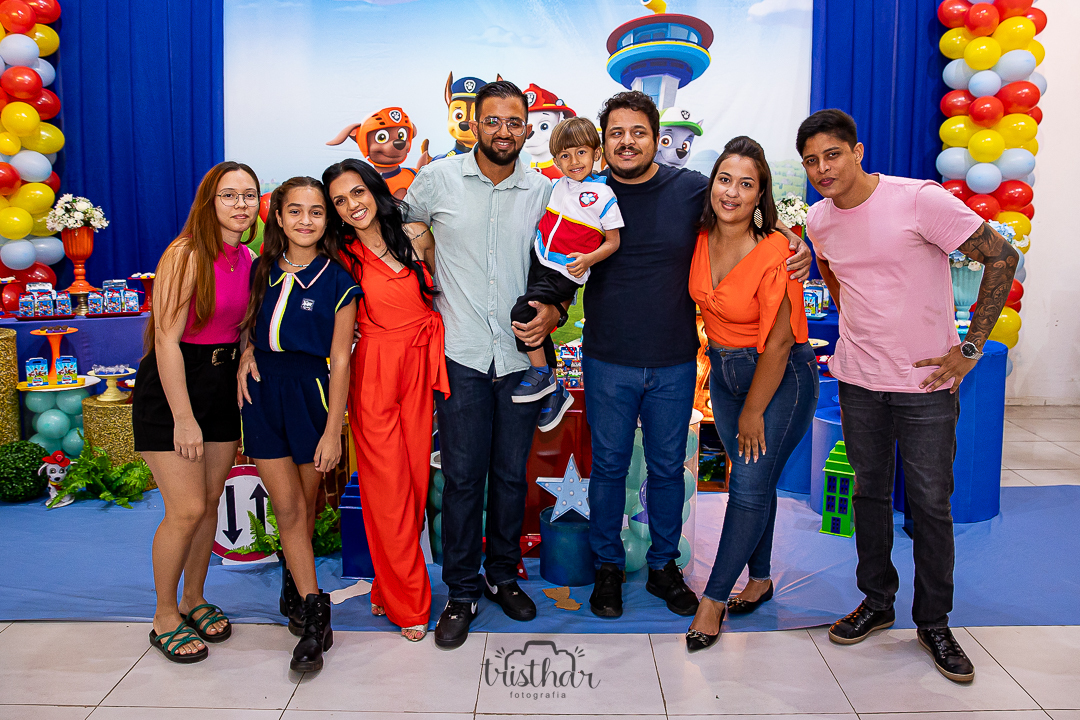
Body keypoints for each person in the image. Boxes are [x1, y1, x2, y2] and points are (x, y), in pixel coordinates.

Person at [798, 109, 1018, 683]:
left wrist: (970, 348)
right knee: (868, 495)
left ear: (858, 151)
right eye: (812, 161)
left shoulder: (918, 200)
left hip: (926, 383)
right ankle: (877, 602)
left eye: (832, 154)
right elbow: (835, 274)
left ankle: (934, 623)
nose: (823, 169)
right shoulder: (818, 220)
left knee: (930, 504)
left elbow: (1002, 256)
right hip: (858, 379)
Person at [583, 91, 813, 620]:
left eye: (638, 132)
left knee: (668, 468)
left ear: (655, 137)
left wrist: (795, 243)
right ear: (603, 141)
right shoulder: (585, 194)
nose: (627, 142)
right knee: (609, 467)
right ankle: (607, 567)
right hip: (606, 358)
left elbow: (746, 212)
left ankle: (664, 566)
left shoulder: (690, 189)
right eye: (616, 133)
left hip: (674, 362)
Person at [403, 80, 561, 649]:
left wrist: (554, 308)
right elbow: (397, 223)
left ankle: (502, 575)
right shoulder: (438, 179)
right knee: (464, 479)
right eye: (491, 120)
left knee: (511, 476)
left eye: (513, 121)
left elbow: (561, 263)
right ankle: (462, 590)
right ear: (473, 124)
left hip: (520, 359)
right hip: (461, 355)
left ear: (526, 127)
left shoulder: (542, 191)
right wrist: (417, 239)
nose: (502, 131)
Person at [683, 137, 819, 652]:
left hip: (780, 378)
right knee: (756, 483)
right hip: (725, 374)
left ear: (761, 194)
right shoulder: (697, 236)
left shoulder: (778, 252)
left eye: (746, 184)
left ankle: (713, 599)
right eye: (725, 179)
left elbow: (780, 343)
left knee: (745, 486)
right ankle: (759, 579)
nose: (732, 193)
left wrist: (753, 411)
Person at [131, 161, 260, 663]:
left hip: (220, 387)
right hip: (173, 389)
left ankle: (193, 597)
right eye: (229, 195)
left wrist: (247, 353)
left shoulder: (249, 257)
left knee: (208, 503)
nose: (241, 204)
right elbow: (166, 341)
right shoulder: (184, 255)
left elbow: (241, 326)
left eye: (249, 195)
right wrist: (183, 418)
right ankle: (165, 615)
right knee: (184, 509)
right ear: (209, 201)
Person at [236, 176, 360, 672]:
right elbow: (244, 323)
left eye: (316, 211)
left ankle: (298, 586)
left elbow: (341, 359)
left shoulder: (339, 281)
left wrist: (333, 431)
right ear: (279, 217)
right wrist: (247, 352)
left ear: (327, 220)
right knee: (287, 506)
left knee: (302, 507)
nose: (305, 220)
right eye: (295, 211)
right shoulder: (259, 268)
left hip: (311, 395)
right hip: (261, 394)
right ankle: (315, 614)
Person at [323, 158, 449, 642]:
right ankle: (409, 603)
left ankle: (386, 584)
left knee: (414, 487)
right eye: (339, 200)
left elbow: (446, 292)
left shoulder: (416, 235)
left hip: (420, 366)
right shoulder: (339, 254)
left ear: (375, 189)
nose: (352, 205)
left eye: (357, 192)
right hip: (374, 372)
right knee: (388, 490)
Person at [511, 116, 623, 431]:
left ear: (596, 153)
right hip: (541, 260)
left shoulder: (603, 195)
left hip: (566, 270)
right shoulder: (557, 186)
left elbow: (613, 242)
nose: (574, 161)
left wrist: (588, 260)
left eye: (581, 153)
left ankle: (543, 376)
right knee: (537, 323)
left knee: (522, 314)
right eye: (565, 155)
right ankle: (553, 389)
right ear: (556, 161)